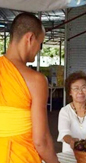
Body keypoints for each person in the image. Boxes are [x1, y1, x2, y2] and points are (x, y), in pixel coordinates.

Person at [0, 13, 59, 163]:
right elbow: (41, 141)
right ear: (30, 38)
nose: (39, 49)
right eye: (40, 43)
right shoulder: (36, 80)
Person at [57, 71, 86, 153]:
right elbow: (64, 133)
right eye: (76, 88)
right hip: (70, 154)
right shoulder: (65, 111)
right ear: (70, 92)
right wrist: (71, 141)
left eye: (83, 87)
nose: (80, 92)